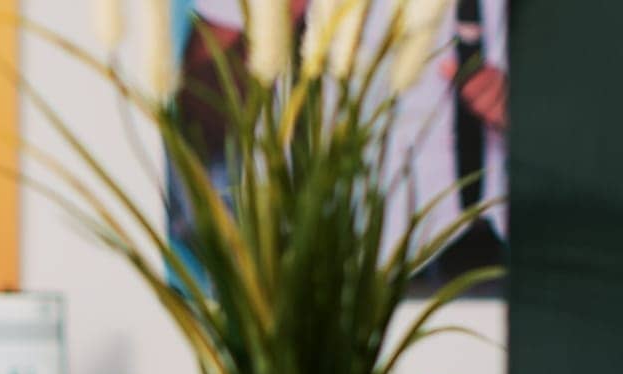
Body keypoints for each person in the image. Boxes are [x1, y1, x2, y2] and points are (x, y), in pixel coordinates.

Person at [181, 0, 508, 286]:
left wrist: (525, 109)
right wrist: (269, 29)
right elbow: (197, 114)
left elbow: (551, 111)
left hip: (463, 271)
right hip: (297, 273)